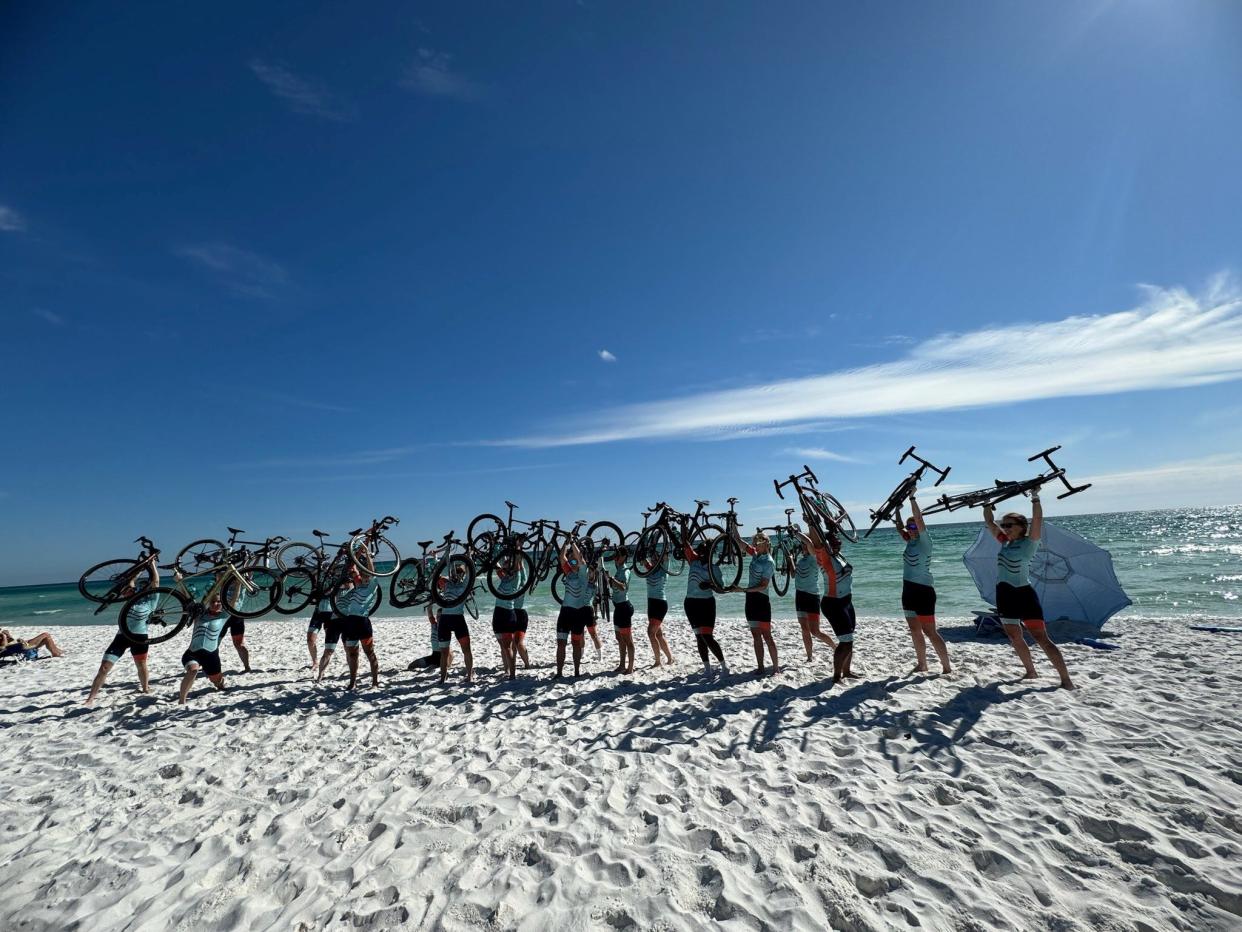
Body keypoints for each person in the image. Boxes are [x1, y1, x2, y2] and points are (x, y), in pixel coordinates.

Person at [982, 493, 1074, 689]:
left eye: (1009, 525)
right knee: (1014, 636)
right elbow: (990, 522)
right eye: (1004, 525)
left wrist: (1035, 497)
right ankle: (1030, 671)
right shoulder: (1004, 542)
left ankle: (1066, 679)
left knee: (1041, 638)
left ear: (1022, 527)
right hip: (1004, 594)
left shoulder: (1030, 543)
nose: (1004, 528)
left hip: (1024, 594)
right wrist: (987, 503)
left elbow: (1038, 520)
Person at [85, 556, 158, 706]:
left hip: (140, 638)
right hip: (122, 637)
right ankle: (90, 698)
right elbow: (130, 582)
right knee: (104, 667)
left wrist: (154, 566)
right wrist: (141, 568)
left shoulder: (151, 602)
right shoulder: (129, 598)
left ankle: (145, 688)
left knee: (141, 665)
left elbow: (155, 582)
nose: (129, 591)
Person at [897, 493, 951, 675]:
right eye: (909, 527)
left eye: (914, 526)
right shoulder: (910, 542)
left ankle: (946, 667)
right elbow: (899, 528)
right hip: (908, 590)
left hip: (924, 591)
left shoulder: (925, 542)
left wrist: (911, 498)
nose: (911, 529)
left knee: (930, 631)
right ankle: (922, 664)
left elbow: (919, 519)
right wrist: (896, 511)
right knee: (914, 629)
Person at [808, 523, 857, 685]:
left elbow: (833, 533)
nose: (837, 543)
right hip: (833, 603)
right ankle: (836, 676)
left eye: (838, 542)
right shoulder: (825, 557)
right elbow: (816, 542)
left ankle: (847, 671)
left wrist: (832, 523)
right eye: (833, 542)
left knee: (849, 639)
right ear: (827, 545)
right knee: (845, 641)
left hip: (847, 602)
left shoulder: (839, 555)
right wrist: (811, 524)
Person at [334, 551, 380, 690]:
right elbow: (352, 567)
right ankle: (352, 682)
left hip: (363, 623)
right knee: (352, 654)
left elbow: (371, 571)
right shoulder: (358, 583)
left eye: (366, 574)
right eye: (363, 573)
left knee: (369, 653)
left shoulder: (373, 584)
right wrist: (355, 552)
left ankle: (375, 682)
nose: (364, 576)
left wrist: (368, 554)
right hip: (350, 622)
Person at [179, 583, 231, 705]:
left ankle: (220, 684)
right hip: (192, 653)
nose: (215, 604)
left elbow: (233, 600)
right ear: (208, 603)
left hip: (211, 655)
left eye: (218, 602)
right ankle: (182, 700)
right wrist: (180, 582)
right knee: (192, 670)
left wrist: (238, 583)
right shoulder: (199, 614)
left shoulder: (224, 615)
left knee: (217, 681)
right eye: (212, 602)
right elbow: (188, 598)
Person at [734, 532, 778, 674]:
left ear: (766, 544)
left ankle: (776, 668)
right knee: (755, 635)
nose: (755, 546)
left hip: (761, 600)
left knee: (767, 635)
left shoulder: (769, 562)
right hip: (750, 600)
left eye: (758, 543)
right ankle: (760, 667)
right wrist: (733, 525)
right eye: (754, 543)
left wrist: (743, 589)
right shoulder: (755, 554)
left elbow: (764, 586)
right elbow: (740, 542)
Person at [683, 538, 728, 676]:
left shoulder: (714, 568)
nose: (701, 553)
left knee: (707, 636)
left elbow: (721, 589)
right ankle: (707, 668)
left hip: (706, 604)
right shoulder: (693, 561)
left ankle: (724, 666)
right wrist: (684, 526)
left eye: (705, 551)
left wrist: (709, 585)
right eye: (700, 551)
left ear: (710, 553)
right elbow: (685, 544)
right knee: (699, 637)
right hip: (690, 603)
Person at [792, 528, 836, 661]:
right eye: (802, 545)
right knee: (804, 629)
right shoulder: (801, 561)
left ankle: (835, 647)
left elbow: (810, 543)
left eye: (803, 544)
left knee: (815, 631)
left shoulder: (813, 557)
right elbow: (794, 574)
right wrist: (790, 561)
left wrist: (796, 533)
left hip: (812, 596)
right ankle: (809, 656)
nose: (803, 547)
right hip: (800, 596)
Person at [555, 540, 592, 677]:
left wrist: (573, 542)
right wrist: (565, 543)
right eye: (571, 560)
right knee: (561, 643)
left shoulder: (583, 573)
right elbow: (561, 557)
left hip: (578, 613)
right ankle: (559, 673)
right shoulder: (569, 572)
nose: (572, 561)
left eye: (573, 559)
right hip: (565, 612)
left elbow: (581, 558)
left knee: (576, 644)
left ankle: (576, 671)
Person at [435, 560, 474, 683]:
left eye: (458, 572)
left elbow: (470, 571)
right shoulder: (454, 584)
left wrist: (468, 557)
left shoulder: (459, 584)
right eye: (455, 572)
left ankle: (467, 675)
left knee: (462, 650)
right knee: (449, 651)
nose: (456, 575)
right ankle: (445, 677)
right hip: (450, 620)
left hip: (452, 619)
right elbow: (435, 575)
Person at [493, 554, 526, 680]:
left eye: (507, 564)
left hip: (508, 614)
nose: (504, 565)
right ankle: (506, 670)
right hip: (497, 613)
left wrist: (518, 550)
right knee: (502, 646)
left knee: (507, 646)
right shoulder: (504, 578)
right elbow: (496, 566)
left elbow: (518, 564)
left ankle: (512, 674)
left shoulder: (516, 579)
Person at [641, 548, 675, 667]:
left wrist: (664, 551)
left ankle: (657, 661)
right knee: (658, 634)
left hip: (660, 604)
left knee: (651, 633)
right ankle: (670, 658)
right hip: (651, 604)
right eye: (653, 558)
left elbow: (666, 557)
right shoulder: (649, 569)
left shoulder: (663, 570)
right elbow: (642, 559)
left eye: (656, 558)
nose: (654, 559)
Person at [604, 547, 635, 674]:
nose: (615, 557)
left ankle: (630, 667)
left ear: (623, 557)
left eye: (617, 555)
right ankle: (622, 664)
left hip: (624, 608)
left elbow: (622, 587)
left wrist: (611, 579)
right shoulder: (618, 570)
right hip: (617, 608)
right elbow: (613, 585)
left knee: (628, 639)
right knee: (619, 637)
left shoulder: (625, 571)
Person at [306, 583, 334, 669]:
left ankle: (325, 660)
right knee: (310, 640)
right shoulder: (320, 579)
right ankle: (315, 662)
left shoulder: (337, 578)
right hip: (318, 612)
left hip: (331, 613)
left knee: (329, 641)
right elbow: (313, 598)